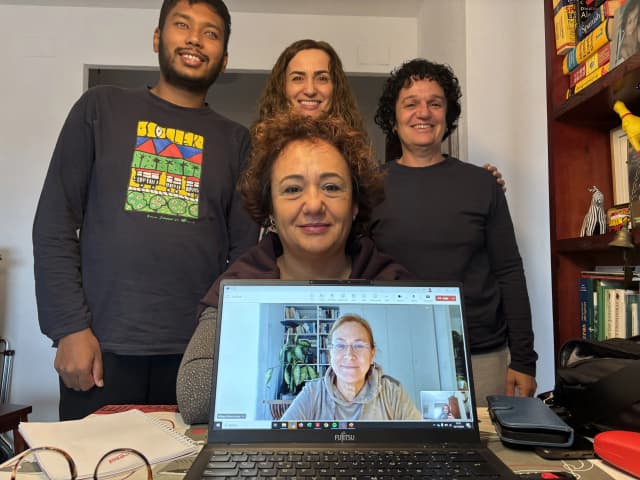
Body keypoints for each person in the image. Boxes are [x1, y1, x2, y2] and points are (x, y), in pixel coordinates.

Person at [32, 0, 258, 420]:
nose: (194, 38)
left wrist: (229, 345)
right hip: (100, 349)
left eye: (210, 32)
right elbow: (54, 224)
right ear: (158, 38)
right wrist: (68, 329)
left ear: (224, 59)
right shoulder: (100, 108)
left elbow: (245, 257)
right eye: (182, 25)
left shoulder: (237, 141)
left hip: (196, 357)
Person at [176, 113, 415, 424]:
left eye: (331, 187)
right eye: (292, 190)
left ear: (355, 205)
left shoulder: (393, 283)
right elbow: (194, 400)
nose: (314, 204)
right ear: (270, 209)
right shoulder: (239, 284)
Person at [370, 59, 537, 406]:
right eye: (411, 103)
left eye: (435, 103)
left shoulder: (481, 184)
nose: (424, 112)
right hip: (398, 356)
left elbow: (509, 270)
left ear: (448, 115)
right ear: (393, 116)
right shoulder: (370, 188)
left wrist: (523, 359)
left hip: (482, 356)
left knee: (489, 456)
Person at [280, 314, 421, 421]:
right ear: (330, 354)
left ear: (372, 354)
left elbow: (420, 439)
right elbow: (283, 439)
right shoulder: (313, 392)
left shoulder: (392, 392)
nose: (349, 355)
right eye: (340, 345)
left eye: (359, 346)